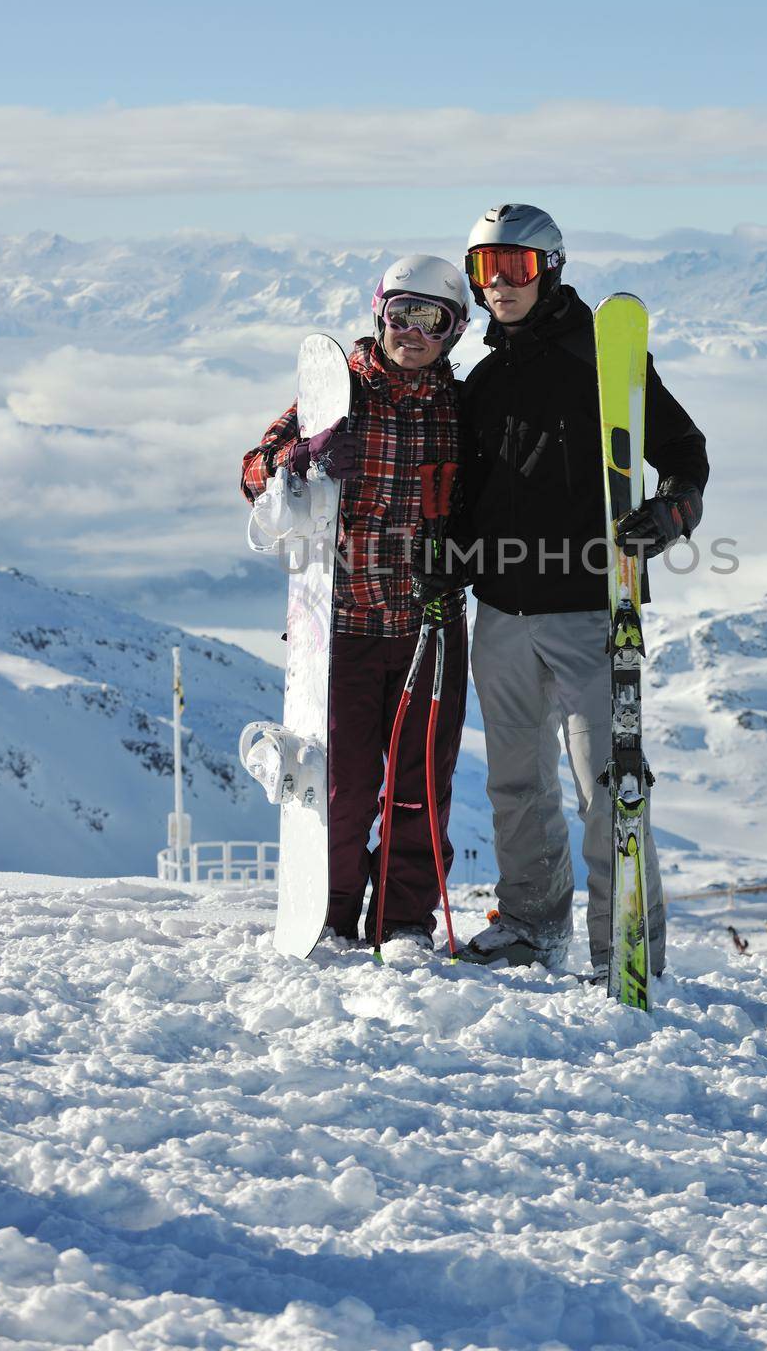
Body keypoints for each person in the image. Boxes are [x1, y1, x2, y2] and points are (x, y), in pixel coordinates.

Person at [417, 202, 709, 976]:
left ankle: (624, 947)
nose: (499, 284)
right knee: (516, 783)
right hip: (501, 611)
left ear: (549, 269)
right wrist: (453, 552)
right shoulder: (481, 382)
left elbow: (681, 451)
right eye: (485, 270)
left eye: (514, 267)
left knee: (608, 789)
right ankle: (529, 924)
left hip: (588, 609)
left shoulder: (602, 360)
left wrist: (675, 509)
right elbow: (470, 492)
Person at [241, 256, 470, 950]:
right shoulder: (338, 396)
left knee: (420, 789)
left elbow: (486, 502)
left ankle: (400, 920)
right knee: (338, 790)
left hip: (427, 626)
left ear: (454, 332)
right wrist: (303, 457)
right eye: (402, 312)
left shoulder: (458, 410)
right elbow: (254, 472)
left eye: (434, 319)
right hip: (340, 630)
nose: (414, 330)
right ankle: (333, 914)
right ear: (379, 313)